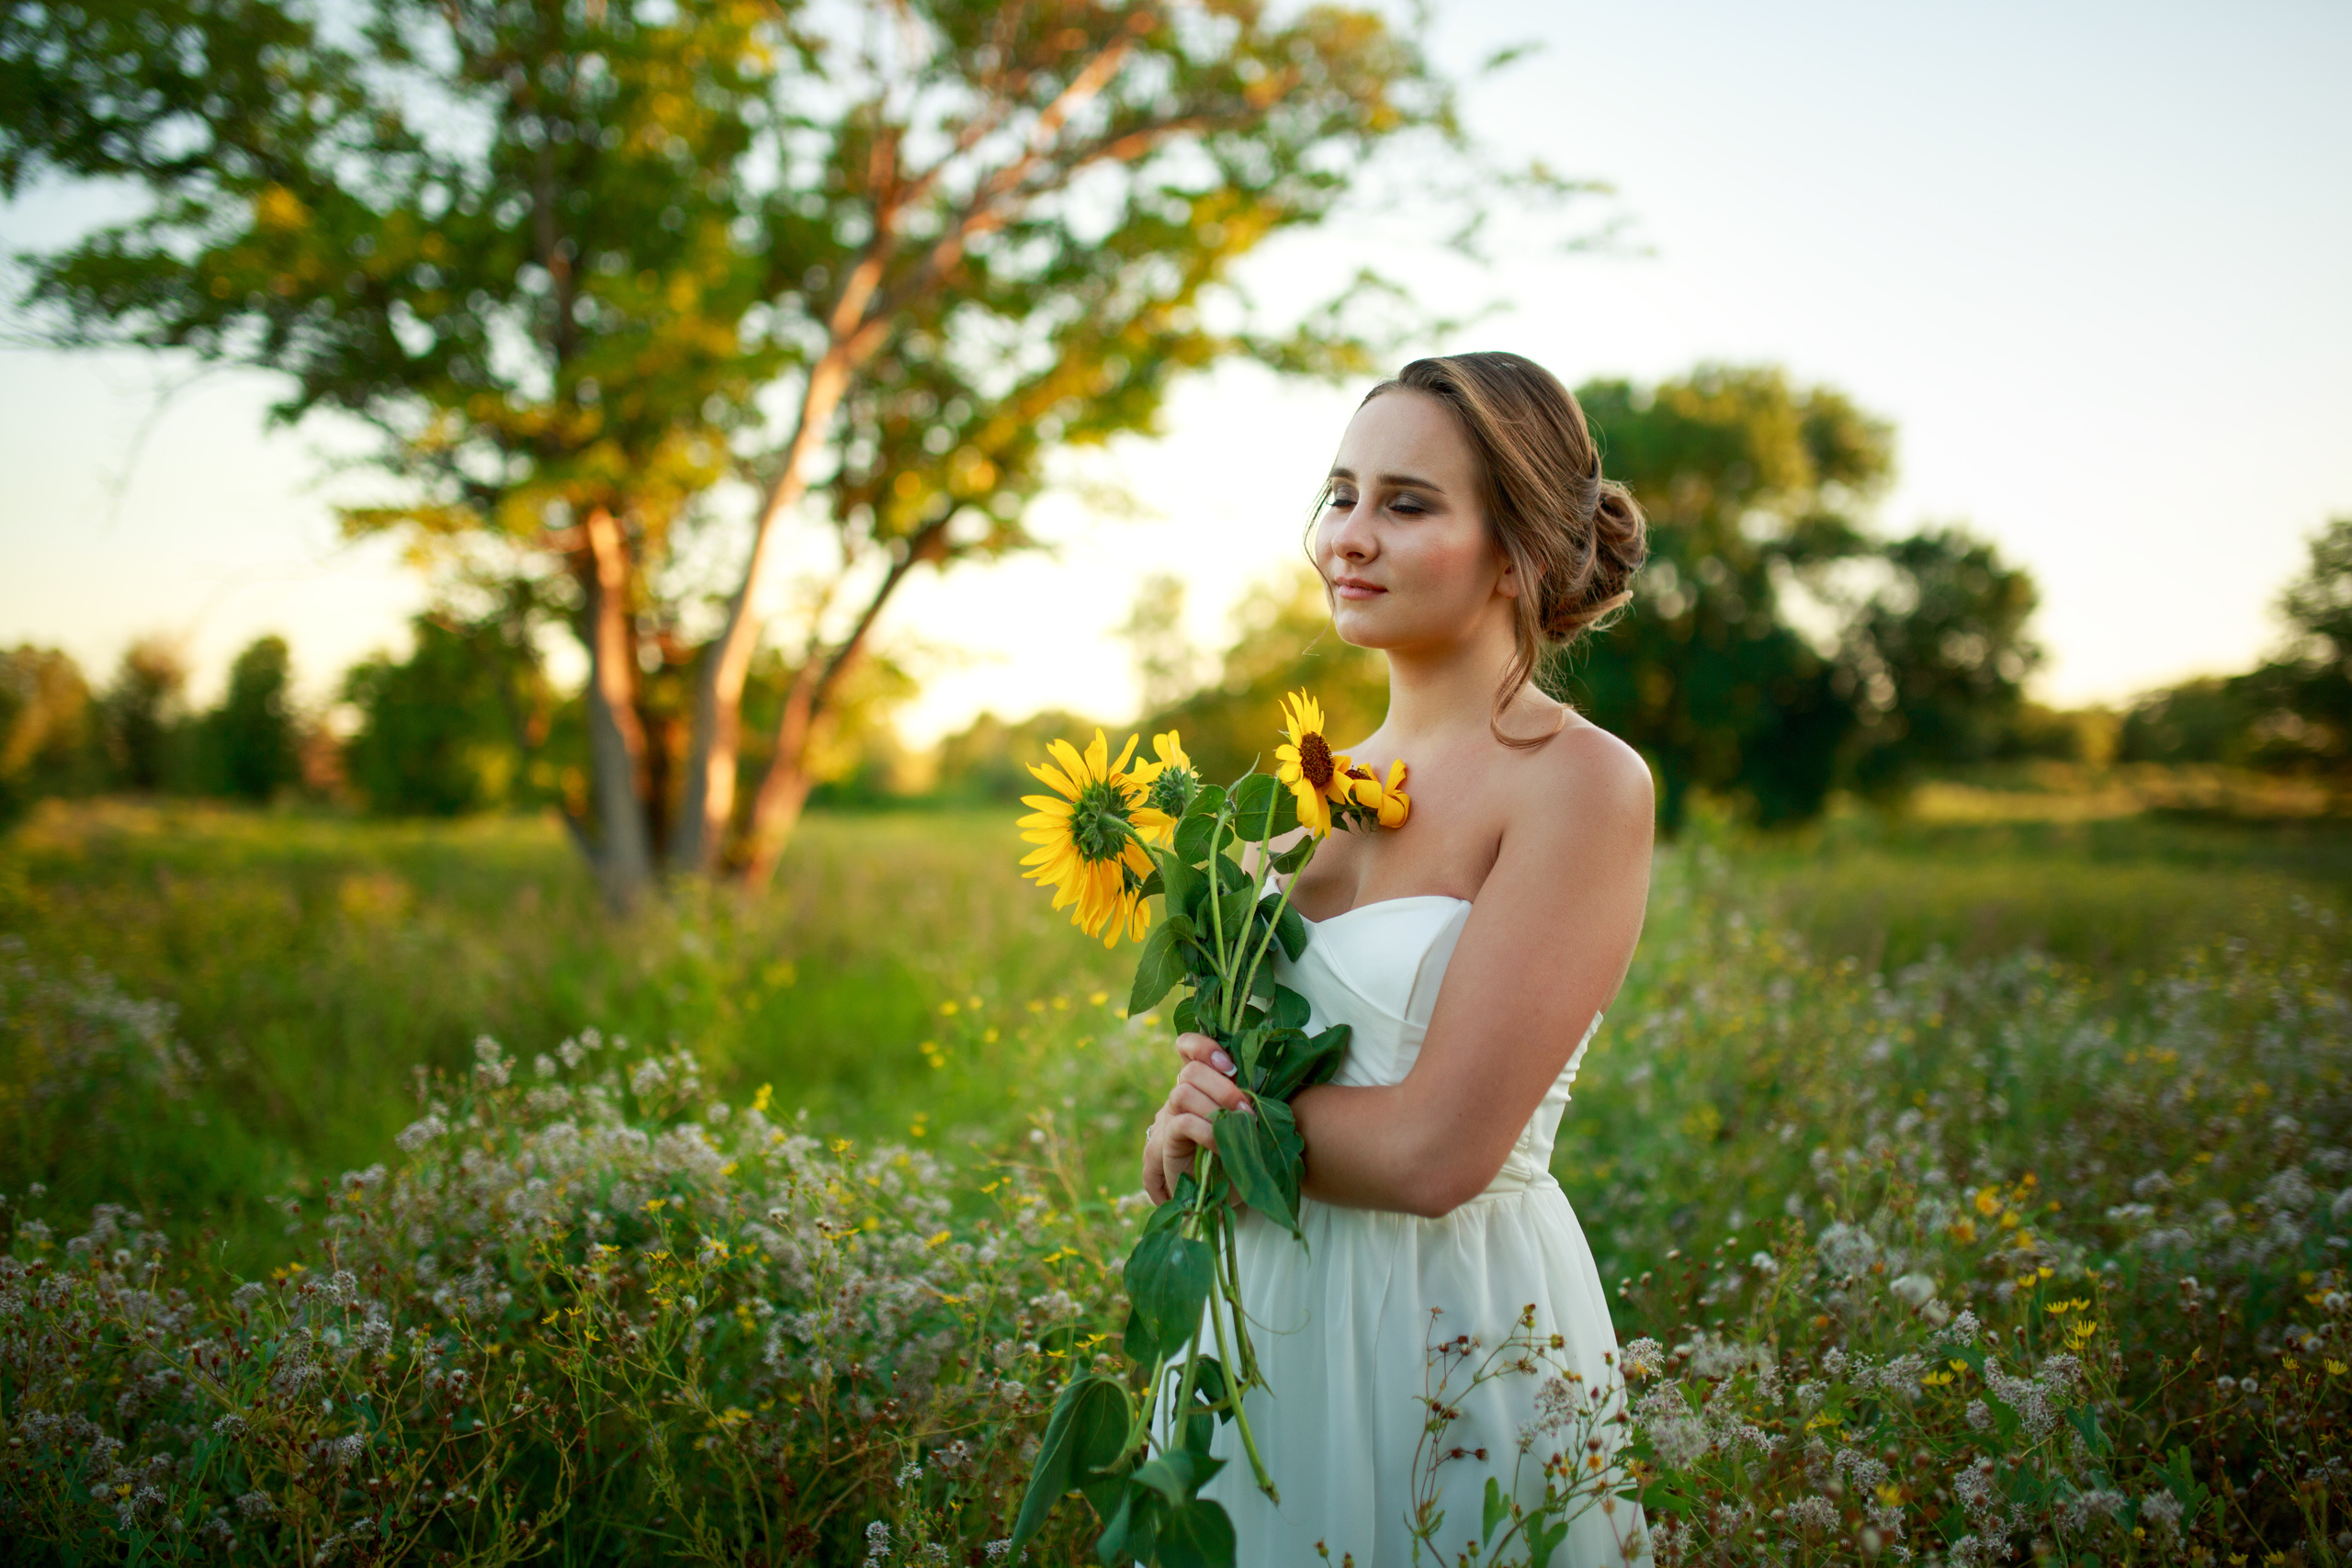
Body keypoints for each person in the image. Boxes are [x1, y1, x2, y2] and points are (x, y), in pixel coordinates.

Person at [1139, 351, 1657, 1565]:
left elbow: (1435, 1154)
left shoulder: (1578, 784)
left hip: (1451, 1328)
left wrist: (1235, 1134)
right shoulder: (1300, 800)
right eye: (1342, 495)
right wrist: (1174, 1133)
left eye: (1408, 504)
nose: (1349, 537)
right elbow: (1223, 1108)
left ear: (1517, 548)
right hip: (1253, 1331)